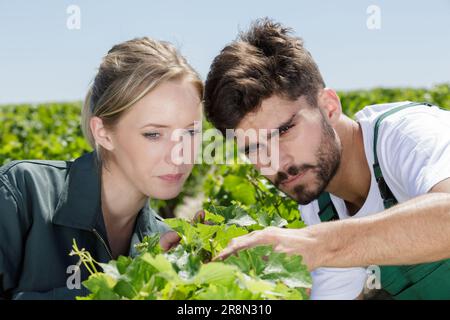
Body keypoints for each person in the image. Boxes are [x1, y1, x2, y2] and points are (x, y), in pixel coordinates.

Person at [204, 18, 450, 299]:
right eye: (254, 149)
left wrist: (316, 245)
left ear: (329, 107)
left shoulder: (409, 135)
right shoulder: (319, 207)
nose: (278, 162)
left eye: (284, 131)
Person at [0, 37, 203, 299]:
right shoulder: (19, 193)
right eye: (153, 134)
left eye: (191, 132)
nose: (179, 154)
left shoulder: (167, 244)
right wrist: (123, 287)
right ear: (104, 133)